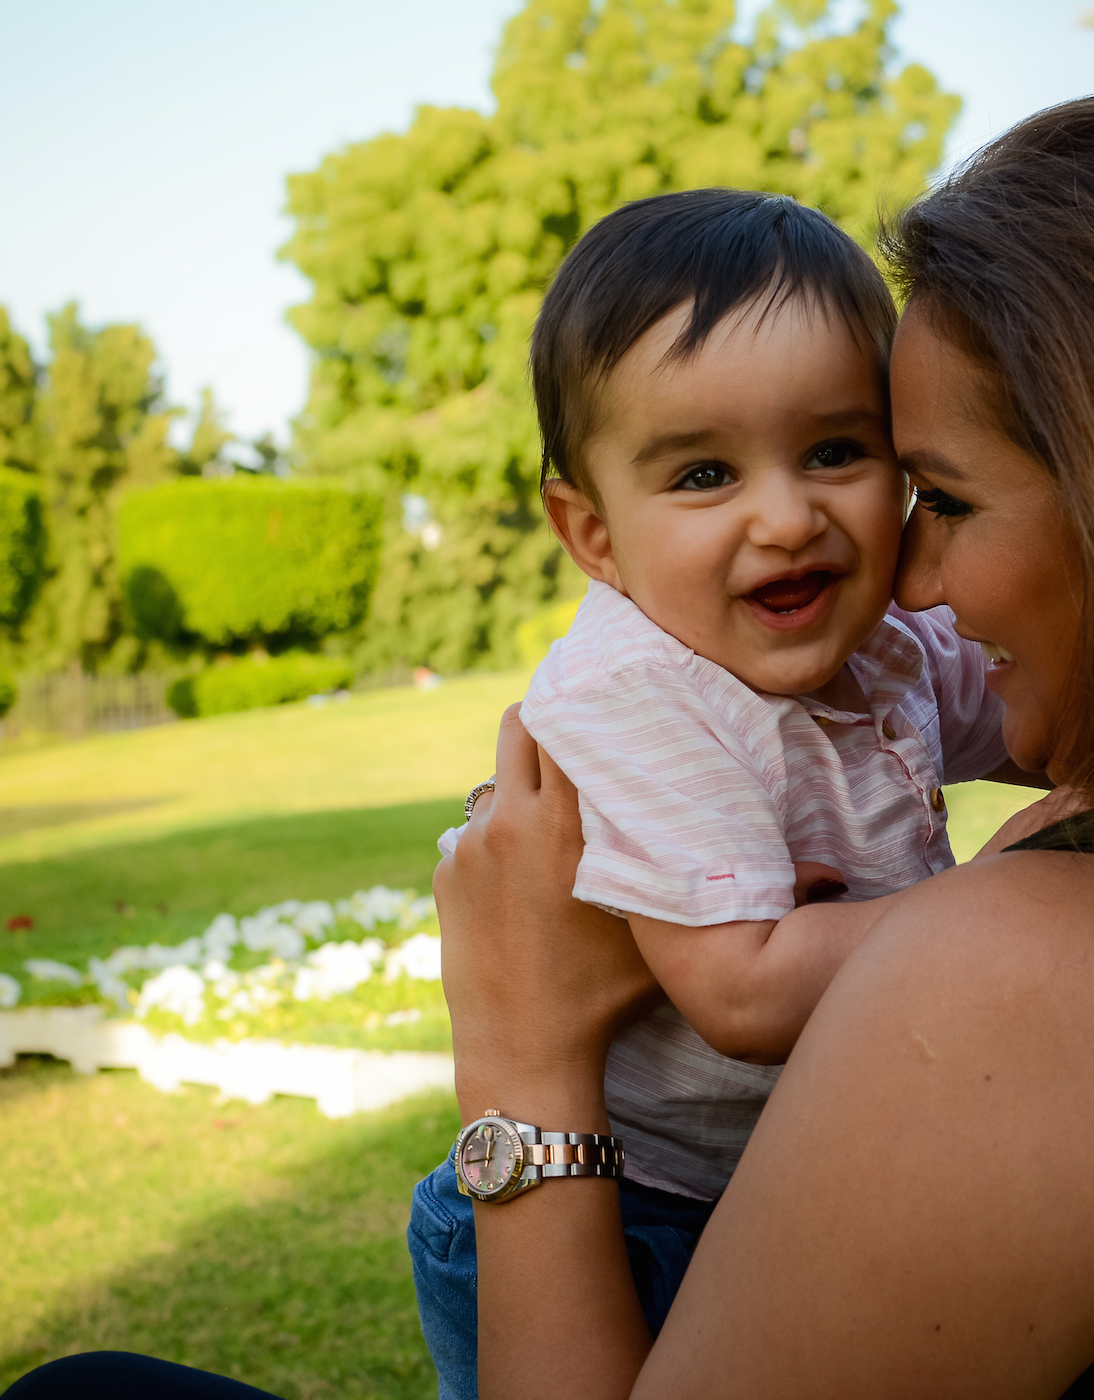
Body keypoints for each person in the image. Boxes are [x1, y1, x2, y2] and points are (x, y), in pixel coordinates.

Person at [0, 87, 1094, 1400]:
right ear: (590, 527)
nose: (902, 578)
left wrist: (520, 1069)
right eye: (704, 475)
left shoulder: (1033, 984)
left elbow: (812, 943)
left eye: (927, 493)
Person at [416, 187, 1027, 1396]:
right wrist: (1037, 893)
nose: (788, 517)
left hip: (767, 1184)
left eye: (836, 451)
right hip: (625, 1206)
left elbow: (1041, 721)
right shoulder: (635, 693)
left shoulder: (883, 643)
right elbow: (741, 984)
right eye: (704, 472)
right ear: (593, 535)